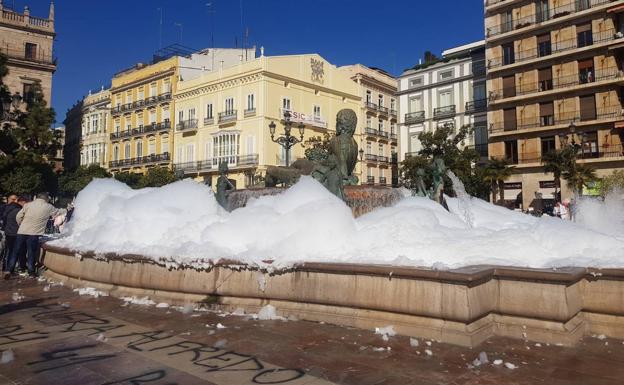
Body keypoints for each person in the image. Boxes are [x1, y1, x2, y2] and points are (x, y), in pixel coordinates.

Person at [3, 193, 59, 279]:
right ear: (46, 199)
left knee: (15, 251)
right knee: (31, 252)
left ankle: (9, 270)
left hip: (22, 231)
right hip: (34, 233)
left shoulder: (28, 205)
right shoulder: (48, 207)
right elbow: (57, 212)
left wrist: (21, 224)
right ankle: (31, 271)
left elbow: (18, 216)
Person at [1, 196, 27, 272]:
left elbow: (4, 220)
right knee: (19, 251)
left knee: (8, 251)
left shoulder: (6, 208)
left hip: (8, 232)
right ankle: (19, 267)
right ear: (20, 202)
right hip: (17, 233)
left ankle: (6, 268)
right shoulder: (19, 210)